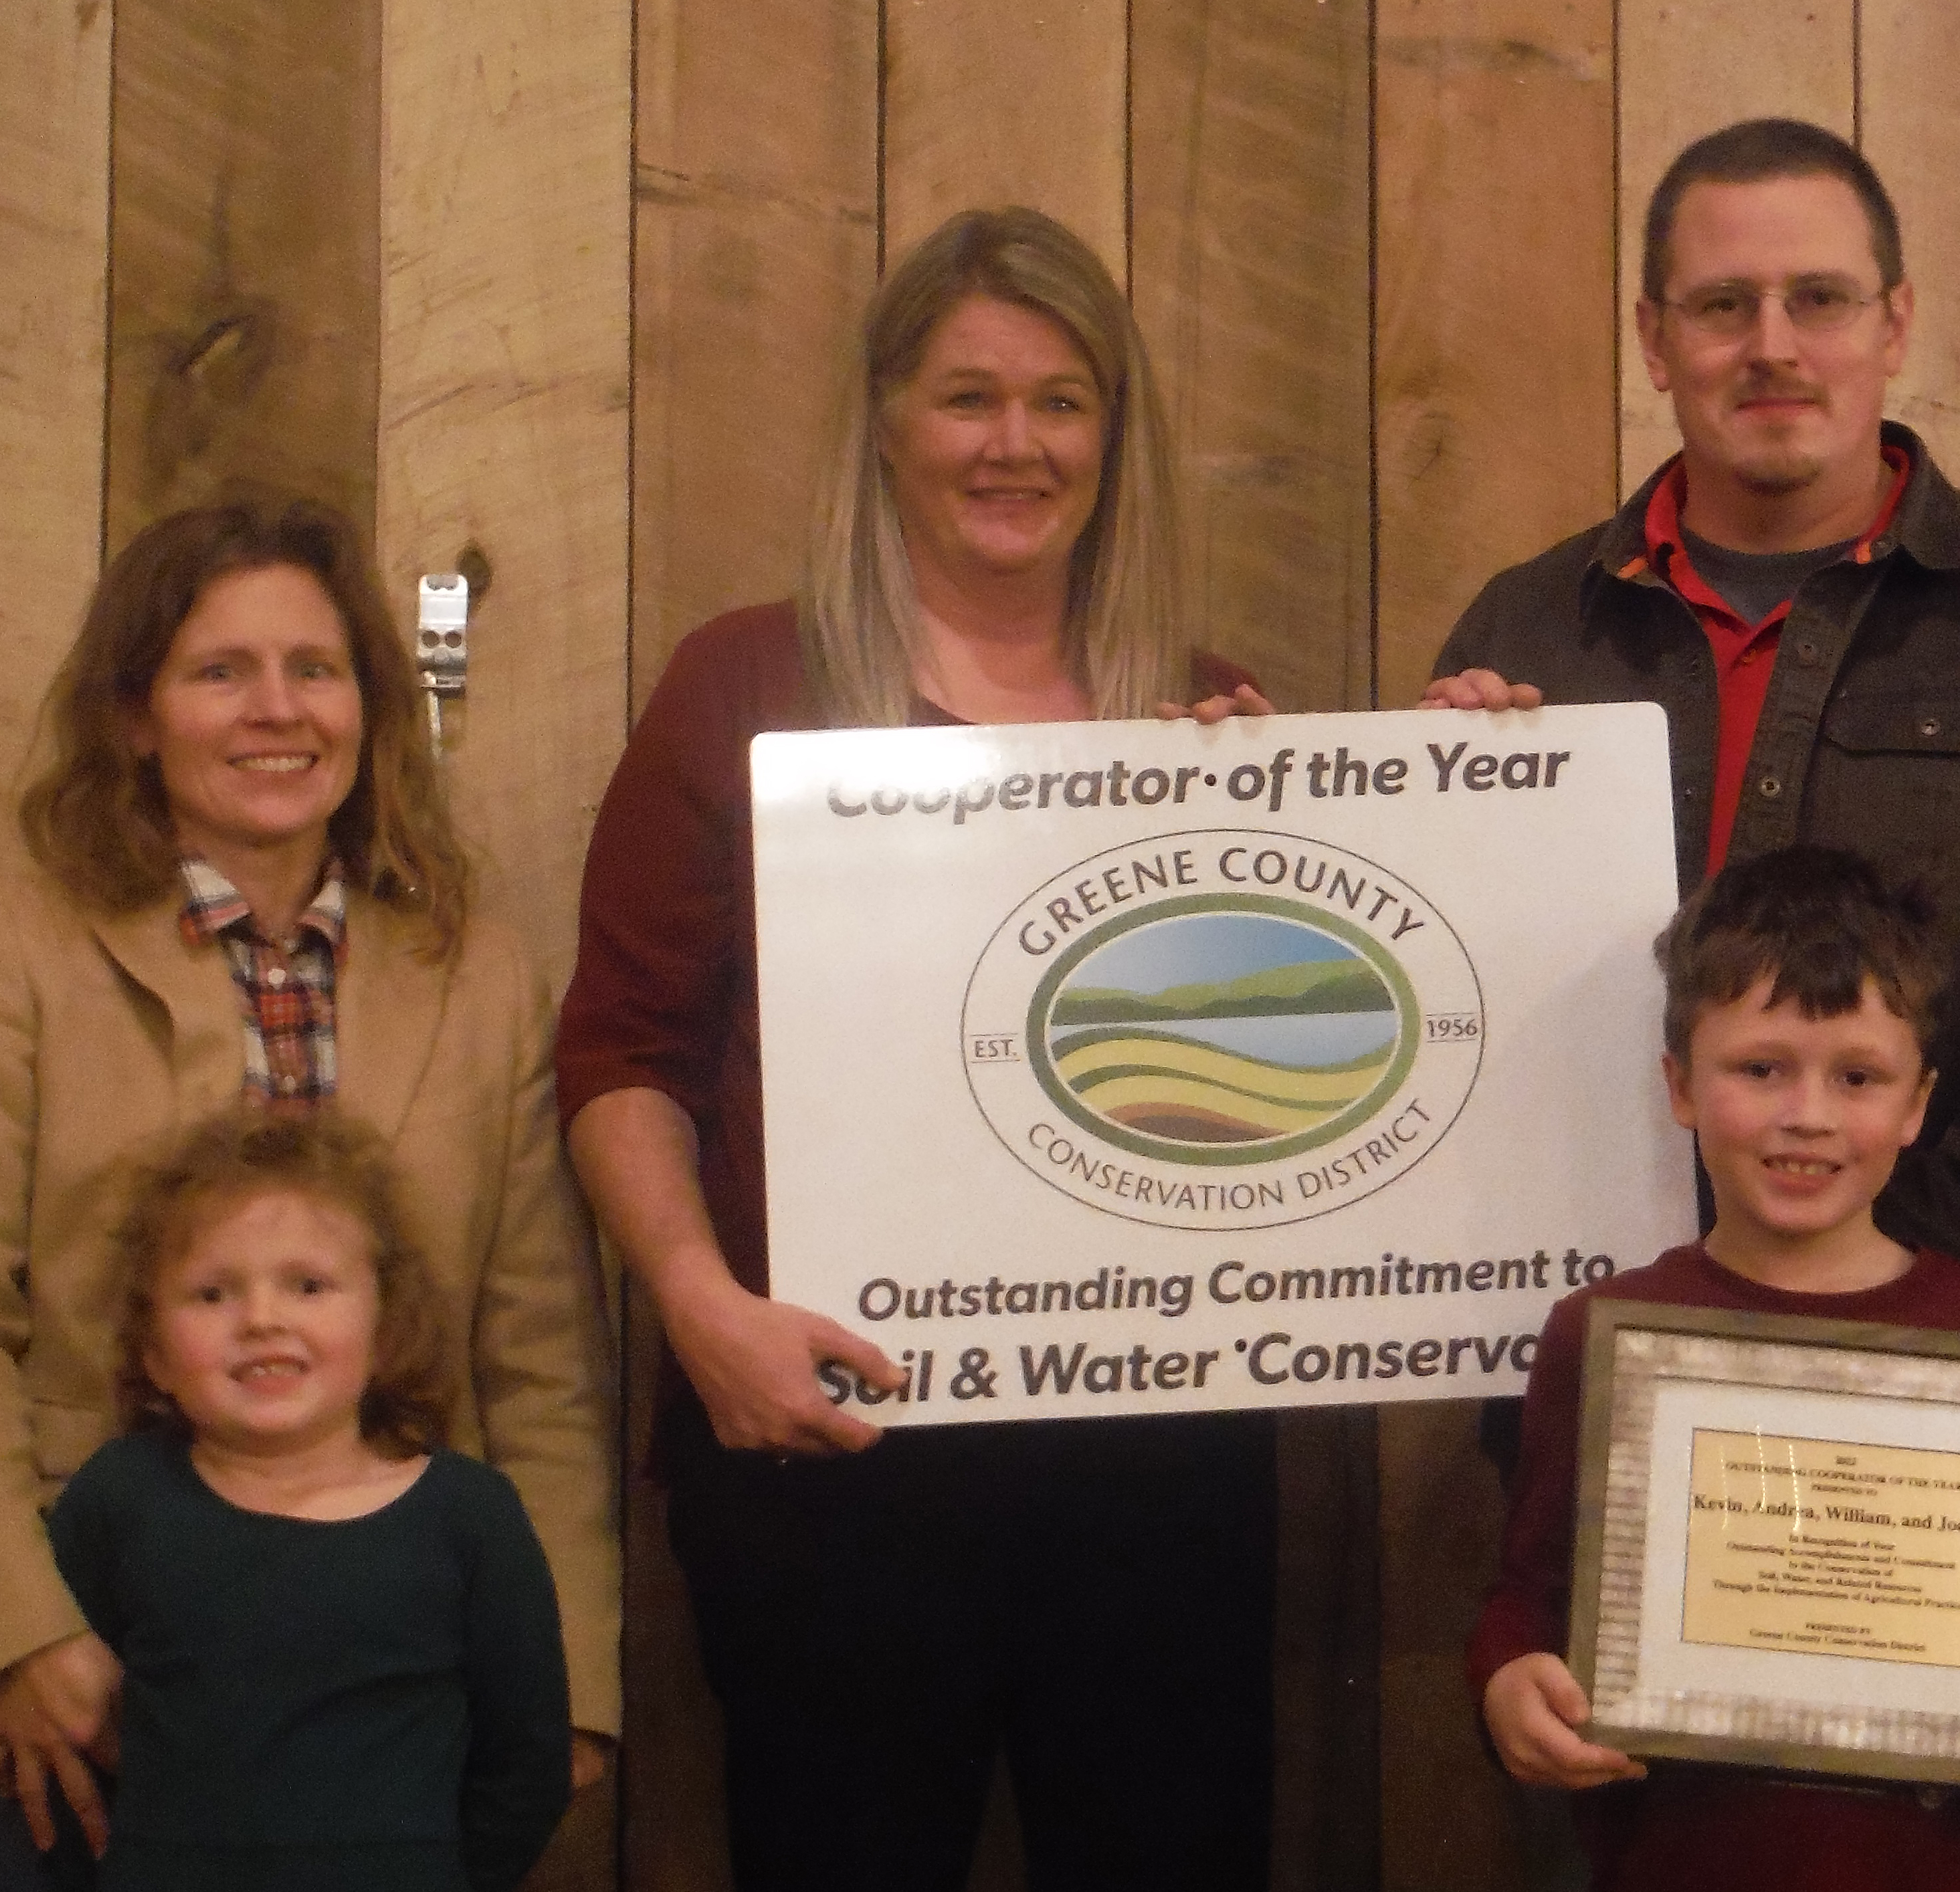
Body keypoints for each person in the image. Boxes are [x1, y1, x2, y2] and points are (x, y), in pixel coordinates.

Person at [1425, 119, 1960, 1644]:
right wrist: (1413, 824)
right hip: (1616, 1425)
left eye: (1816, 299)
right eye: (1719, 305)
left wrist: (1869, 1260)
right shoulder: (1529, 627)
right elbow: (1448, 1035)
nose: (1770, 346)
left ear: (1891, 323)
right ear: (1651, 339)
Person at [557, 206, 1274, 1891]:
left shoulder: (1205, 710)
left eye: (1058, 399)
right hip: (832, 1454)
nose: (1012, 444)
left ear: (1113, 432)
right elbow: (619, 1054)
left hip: (1153, 1461)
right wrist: (695, 1306)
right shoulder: (747, 682)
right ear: (882, 423)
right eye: (965, 398)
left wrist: (1384, 796)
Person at [0, 498, 620, 1889]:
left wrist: (562, 1680)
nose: (277, 710)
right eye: (220, 671)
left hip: (388, 1681)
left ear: (369, 705)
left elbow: (540, 1358)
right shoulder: (13, 928)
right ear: (137, 715)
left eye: (313, 669)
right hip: (86, 1662)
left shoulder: (475, 962)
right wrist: (19, 1632)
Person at [1470, 845, 1960, 1892]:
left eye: (1857, 1076)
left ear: (1916, 1104)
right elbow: (1532, 1595)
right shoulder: (1607, 1330)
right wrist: (1505, 1686)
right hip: (1690, 1860)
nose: (1807, 1114)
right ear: (1680, 1086)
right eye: (1761, 1069)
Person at [49, 1108, 571, 1891]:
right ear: (154, 1352)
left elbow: (525, 1762)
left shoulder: (470, 1518)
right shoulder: (119, 1500)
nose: (263, 1319)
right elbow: (73, 1740)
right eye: (213, 1293)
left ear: (386, 1328)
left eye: (308, 1284)